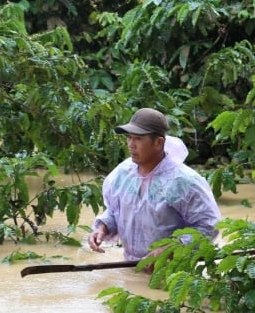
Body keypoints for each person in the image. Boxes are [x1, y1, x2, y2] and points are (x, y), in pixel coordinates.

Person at [87, 108, 221, 263]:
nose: (131, 144)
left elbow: (209, 227)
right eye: (129, 138)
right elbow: (115, 210)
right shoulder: (122, 174)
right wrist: (102, 228)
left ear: (159, 142)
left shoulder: (185, 182)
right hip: (130, 267)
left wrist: (171, 248)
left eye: (138, 138)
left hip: (172, 272)